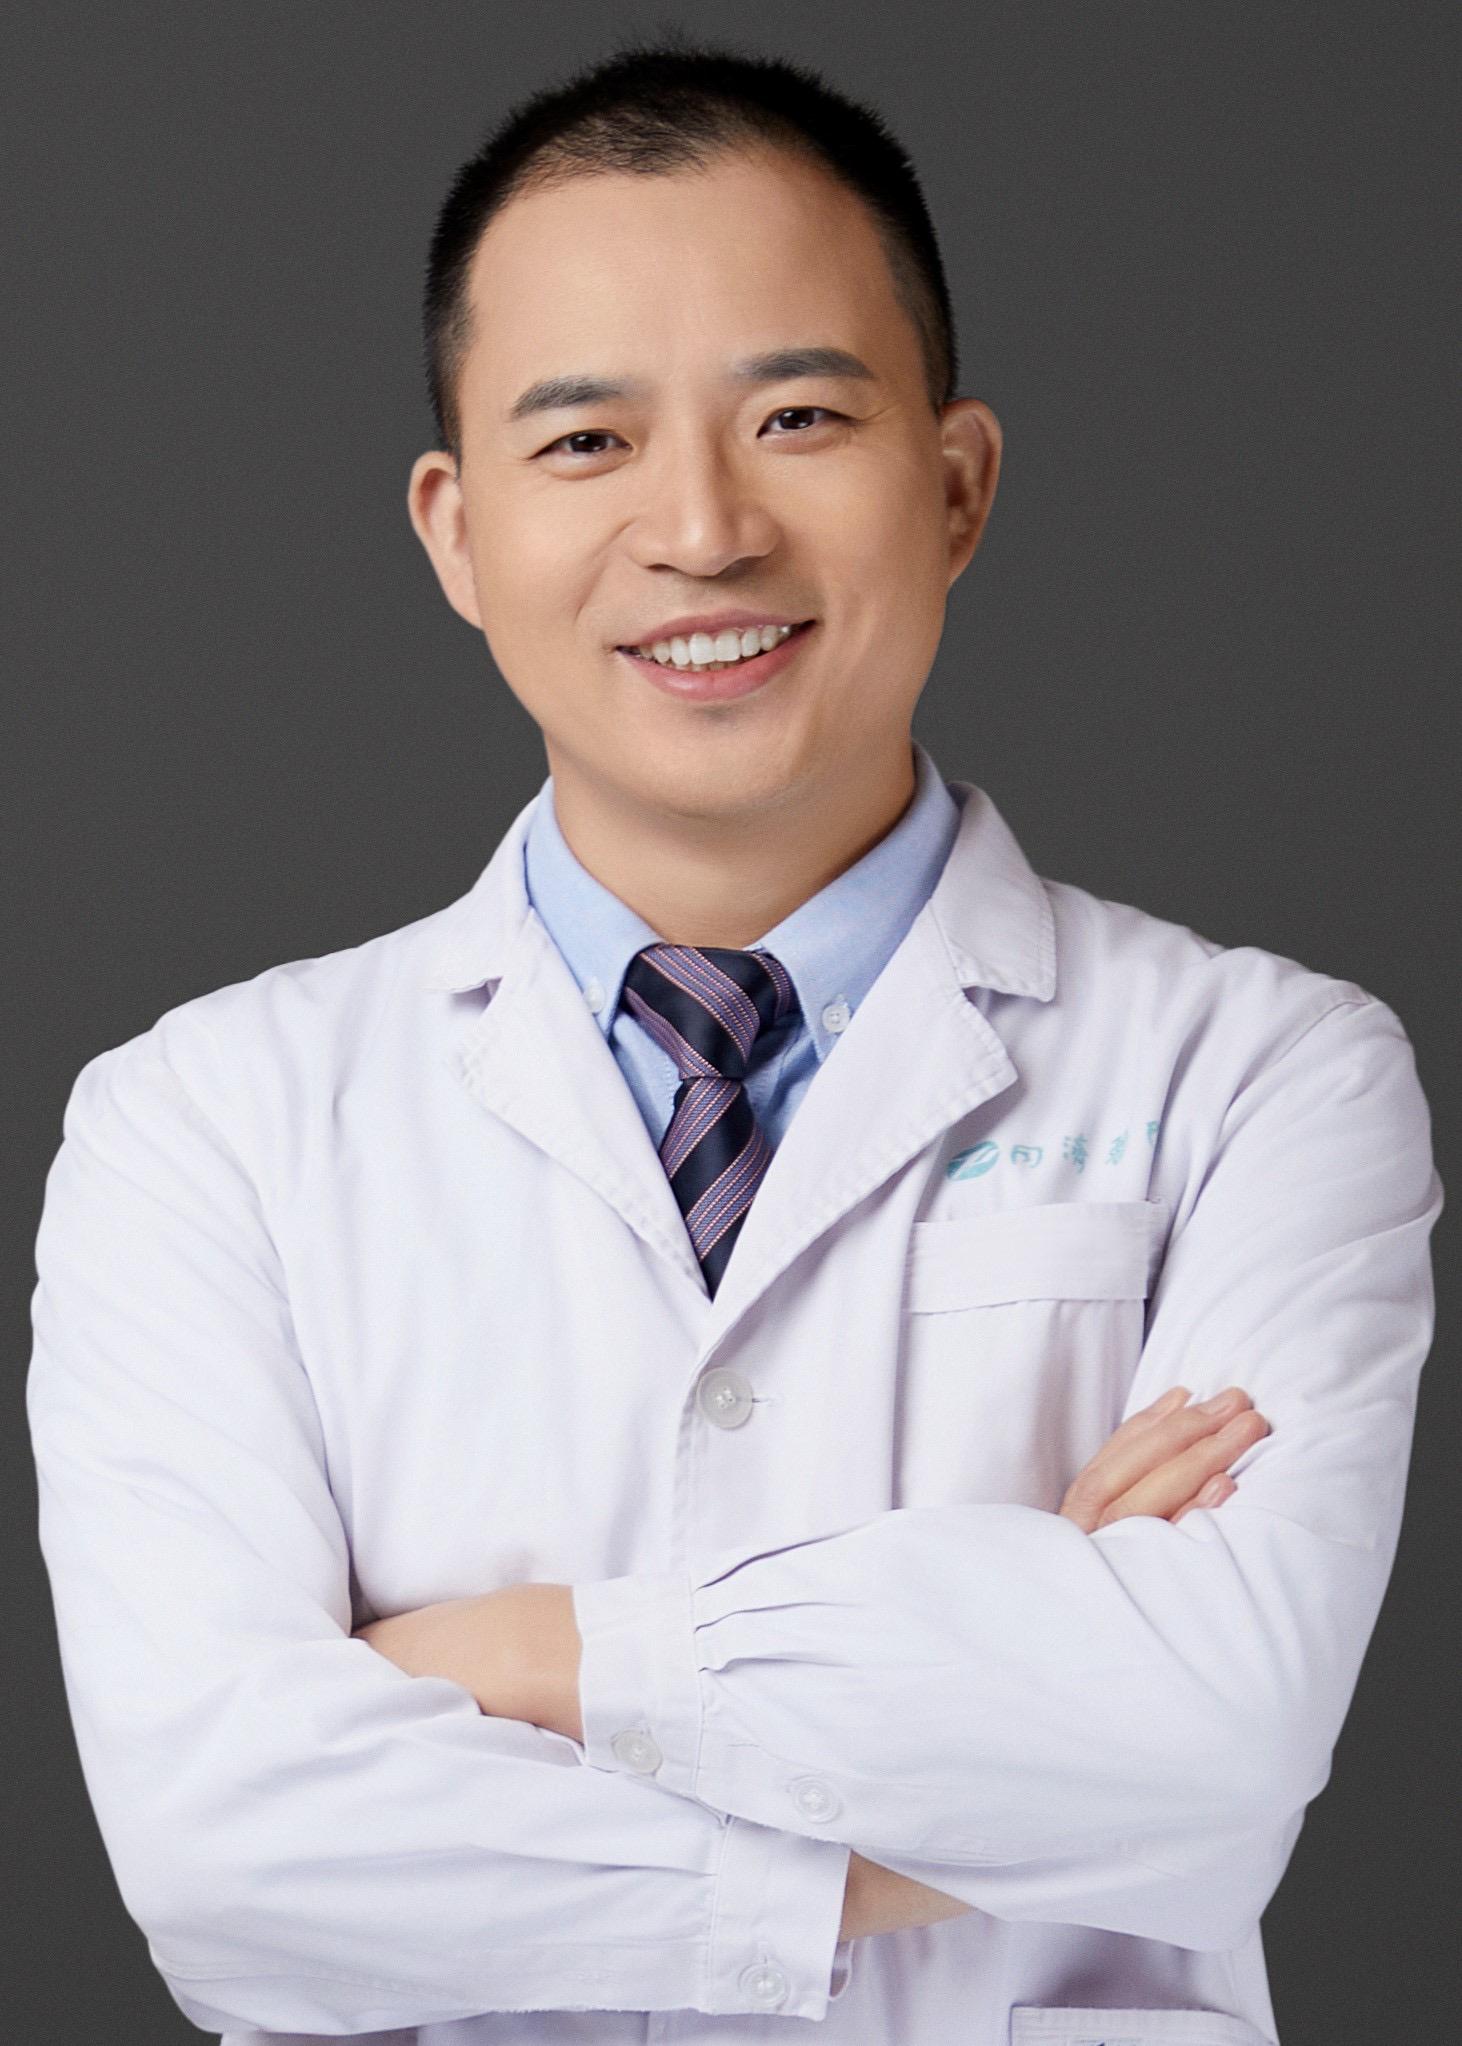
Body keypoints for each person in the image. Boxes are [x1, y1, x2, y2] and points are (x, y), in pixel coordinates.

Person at [26, 36, 1441, 2046]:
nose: (699, 529)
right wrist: (982, 1776)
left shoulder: (1259, 1075)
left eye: (795, 417)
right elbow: (223, 1849)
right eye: (584, 441)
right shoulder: (204, 1125)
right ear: (453, 532)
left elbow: (1213, 1746)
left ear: (952, 484)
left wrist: (519, 1657)